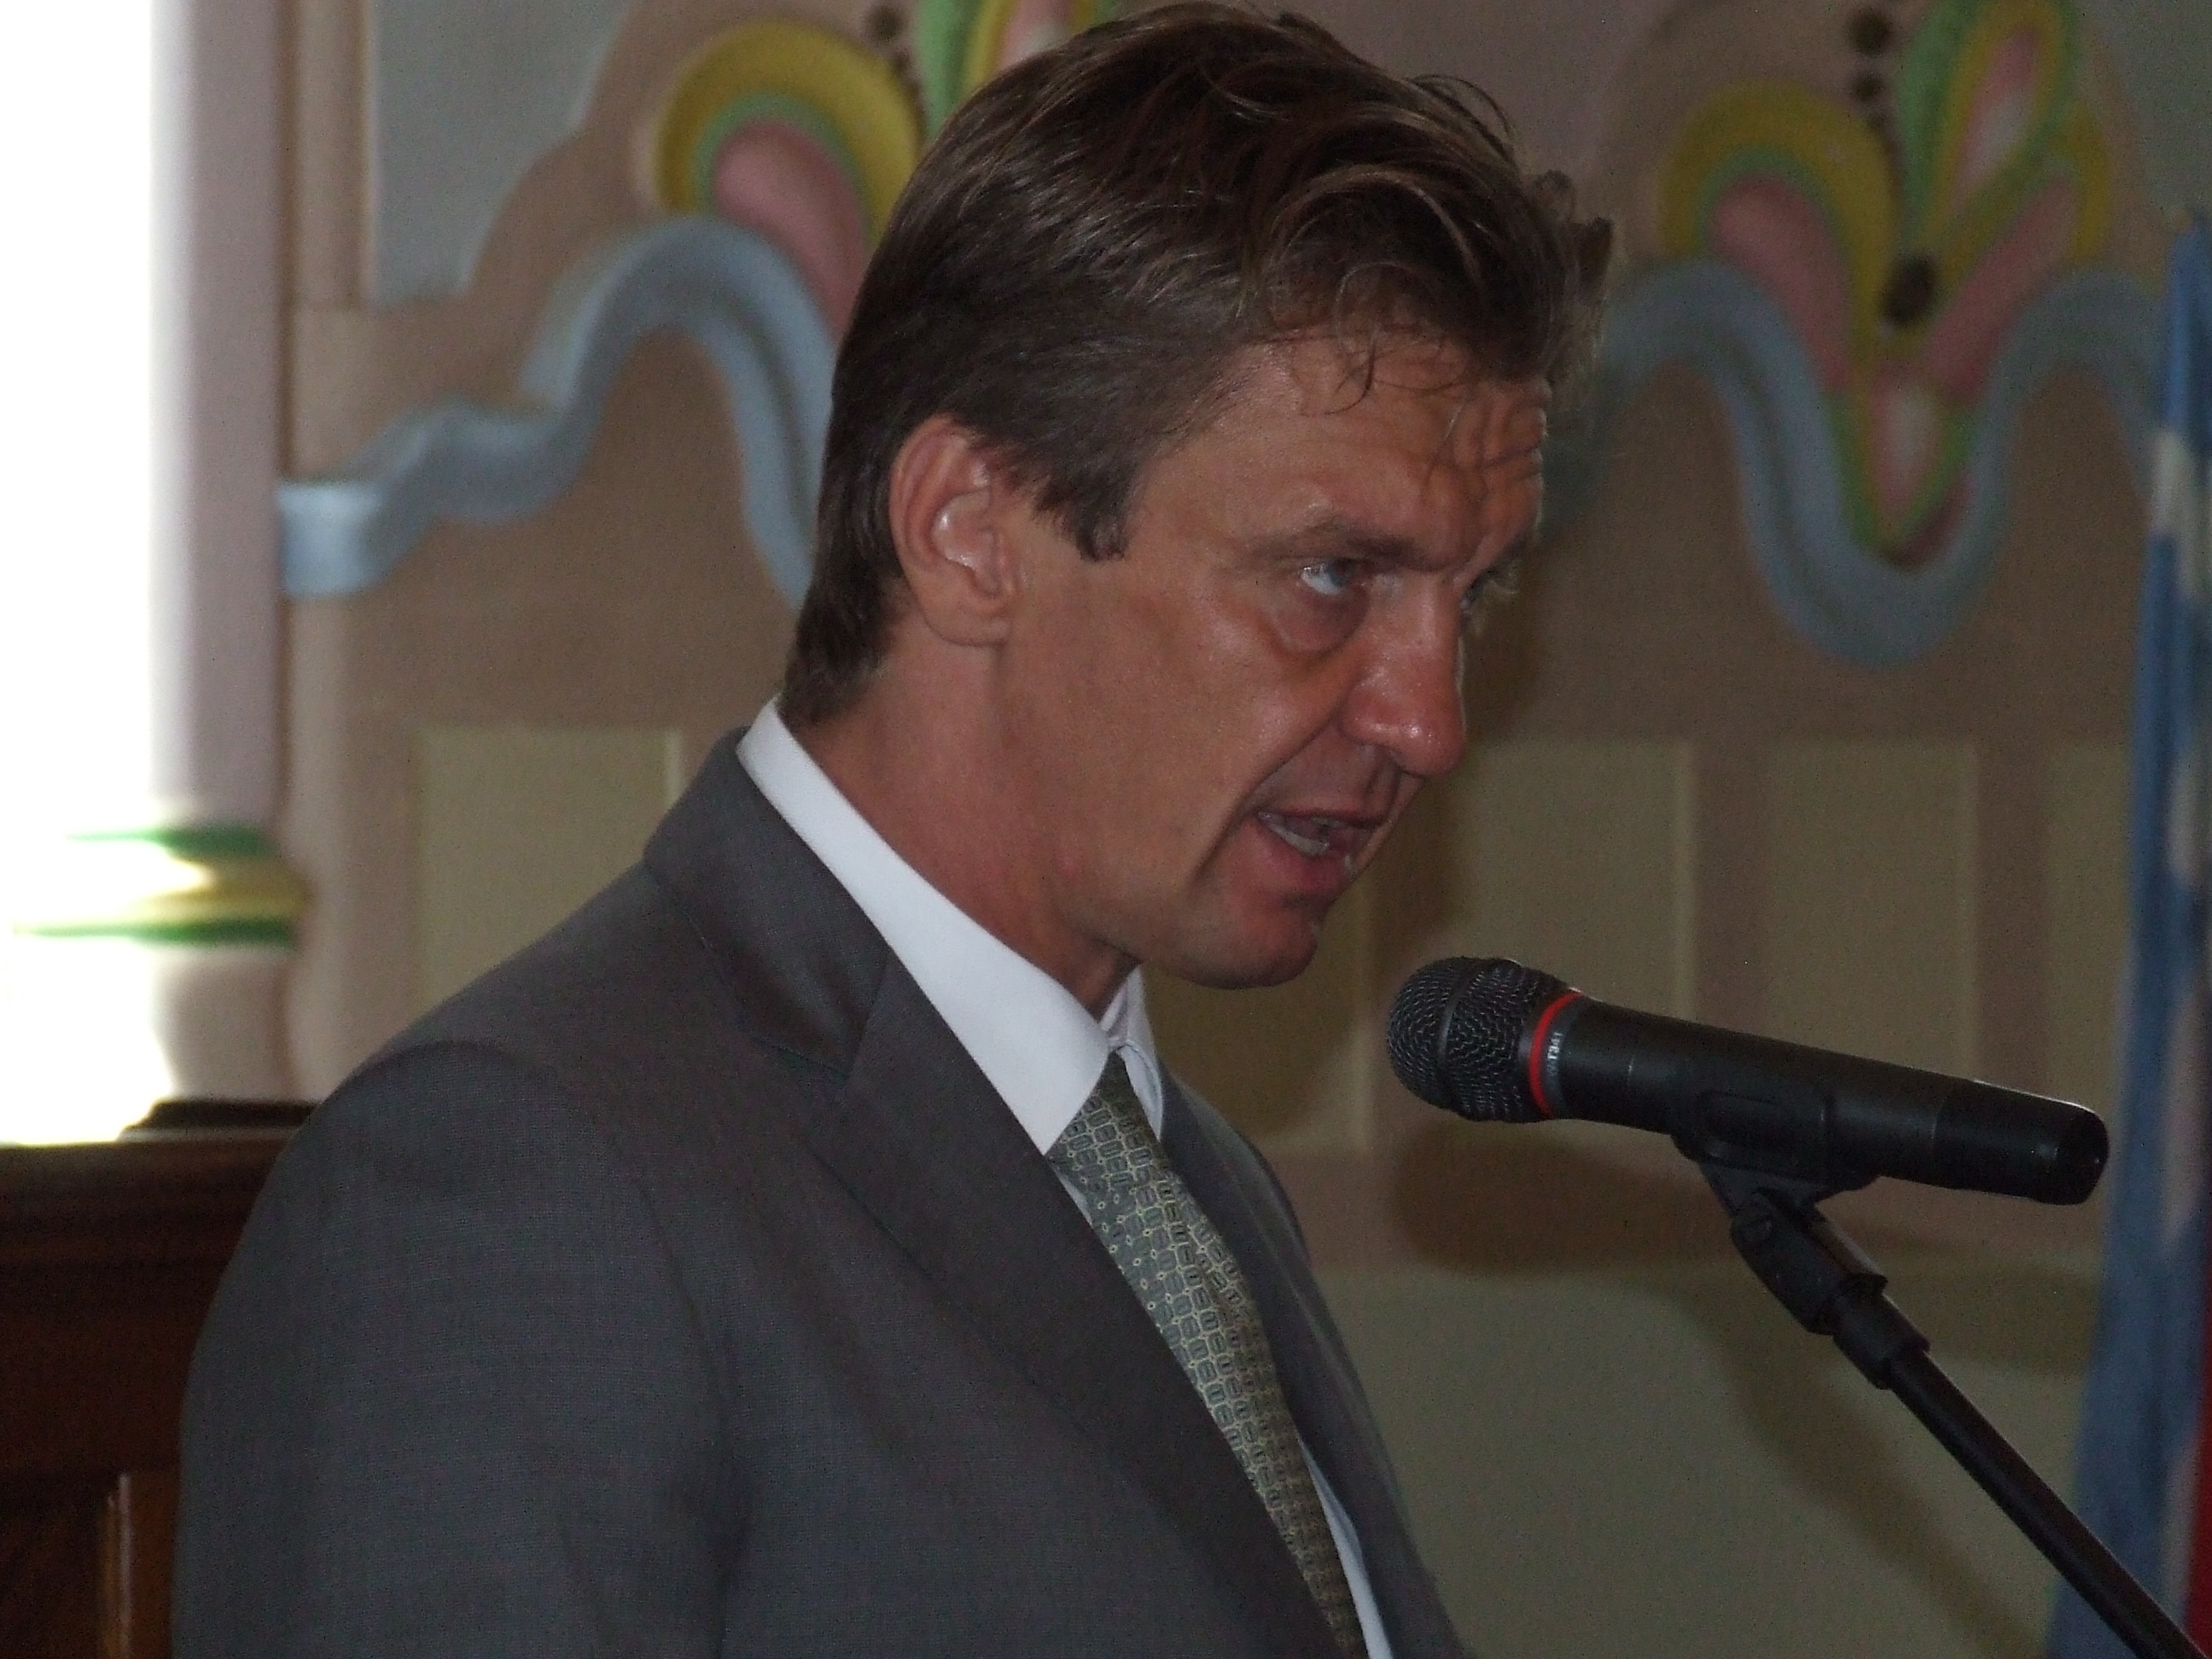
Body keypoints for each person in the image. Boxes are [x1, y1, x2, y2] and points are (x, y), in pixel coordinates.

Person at [175, 7, 1607, 1656]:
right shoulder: (514, 1193)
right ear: (969, 532)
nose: (1430, 724)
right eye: (1333, 576)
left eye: (1467, 599)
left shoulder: (1184, 1183)